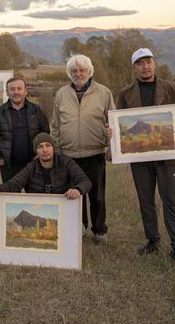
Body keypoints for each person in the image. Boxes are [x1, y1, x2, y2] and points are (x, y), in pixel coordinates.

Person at [109, 48, 175, 261]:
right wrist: (113, 131)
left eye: (148, 62)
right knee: (146, 201)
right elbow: (120, 123)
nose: (145, 67)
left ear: (154, 64)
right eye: (140, 63)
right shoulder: (125, 94)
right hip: (139, 158)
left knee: (172, 201)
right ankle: (153, 241)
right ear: (134, 67)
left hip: (168, 157)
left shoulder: (172, 88)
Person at [51, 54, 115, 244]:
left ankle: (99, 230)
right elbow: (55, 124)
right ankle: (80, 227)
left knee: (97, 196)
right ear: (69, 73)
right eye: (74, 71)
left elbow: (113, 122)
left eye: (82, 70)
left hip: (94, 153)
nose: (78, 74)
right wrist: (57, 148)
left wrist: (112, 146)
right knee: (73, 194)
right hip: (68, 154)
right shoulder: (61, 94)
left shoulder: (104, 93)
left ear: (90, 72)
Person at [0, 133, 91, 199]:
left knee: (80, 231)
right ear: (36, 151)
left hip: (63, 209)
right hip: (38, 211)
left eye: (48, 146)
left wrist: (77, 190)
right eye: (40, 147)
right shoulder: (31, 167)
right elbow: (13, 184)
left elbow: (86, 182)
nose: (45, 150)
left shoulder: (66, 162)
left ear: (53, 148)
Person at [0, 77, 50, 182]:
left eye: (19, 88)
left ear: (25, 91)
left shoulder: (36, 110)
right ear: (7, 92)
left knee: (33, 196)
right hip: (8, 165)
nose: (16, 92)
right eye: (12, 89)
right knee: (11, 197)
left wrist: (40, 154)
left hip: (33, 163)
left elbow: (45, 133)